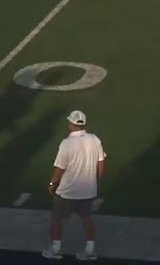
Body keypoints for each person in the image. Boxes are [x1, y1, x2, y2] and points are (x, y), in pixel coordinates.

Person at [44, 110, 106, 261]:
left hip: (67, 192)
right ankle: (90, 250)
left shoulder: (67, 143)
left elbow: (60, 168)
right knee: (86, 219)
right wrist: (95, 180)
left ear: (72, 123)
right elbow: (101, 163)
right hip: (88, 191)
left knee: (57, 219)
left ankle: (56, 249)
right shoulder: (94, 139)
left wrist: (52, 183)